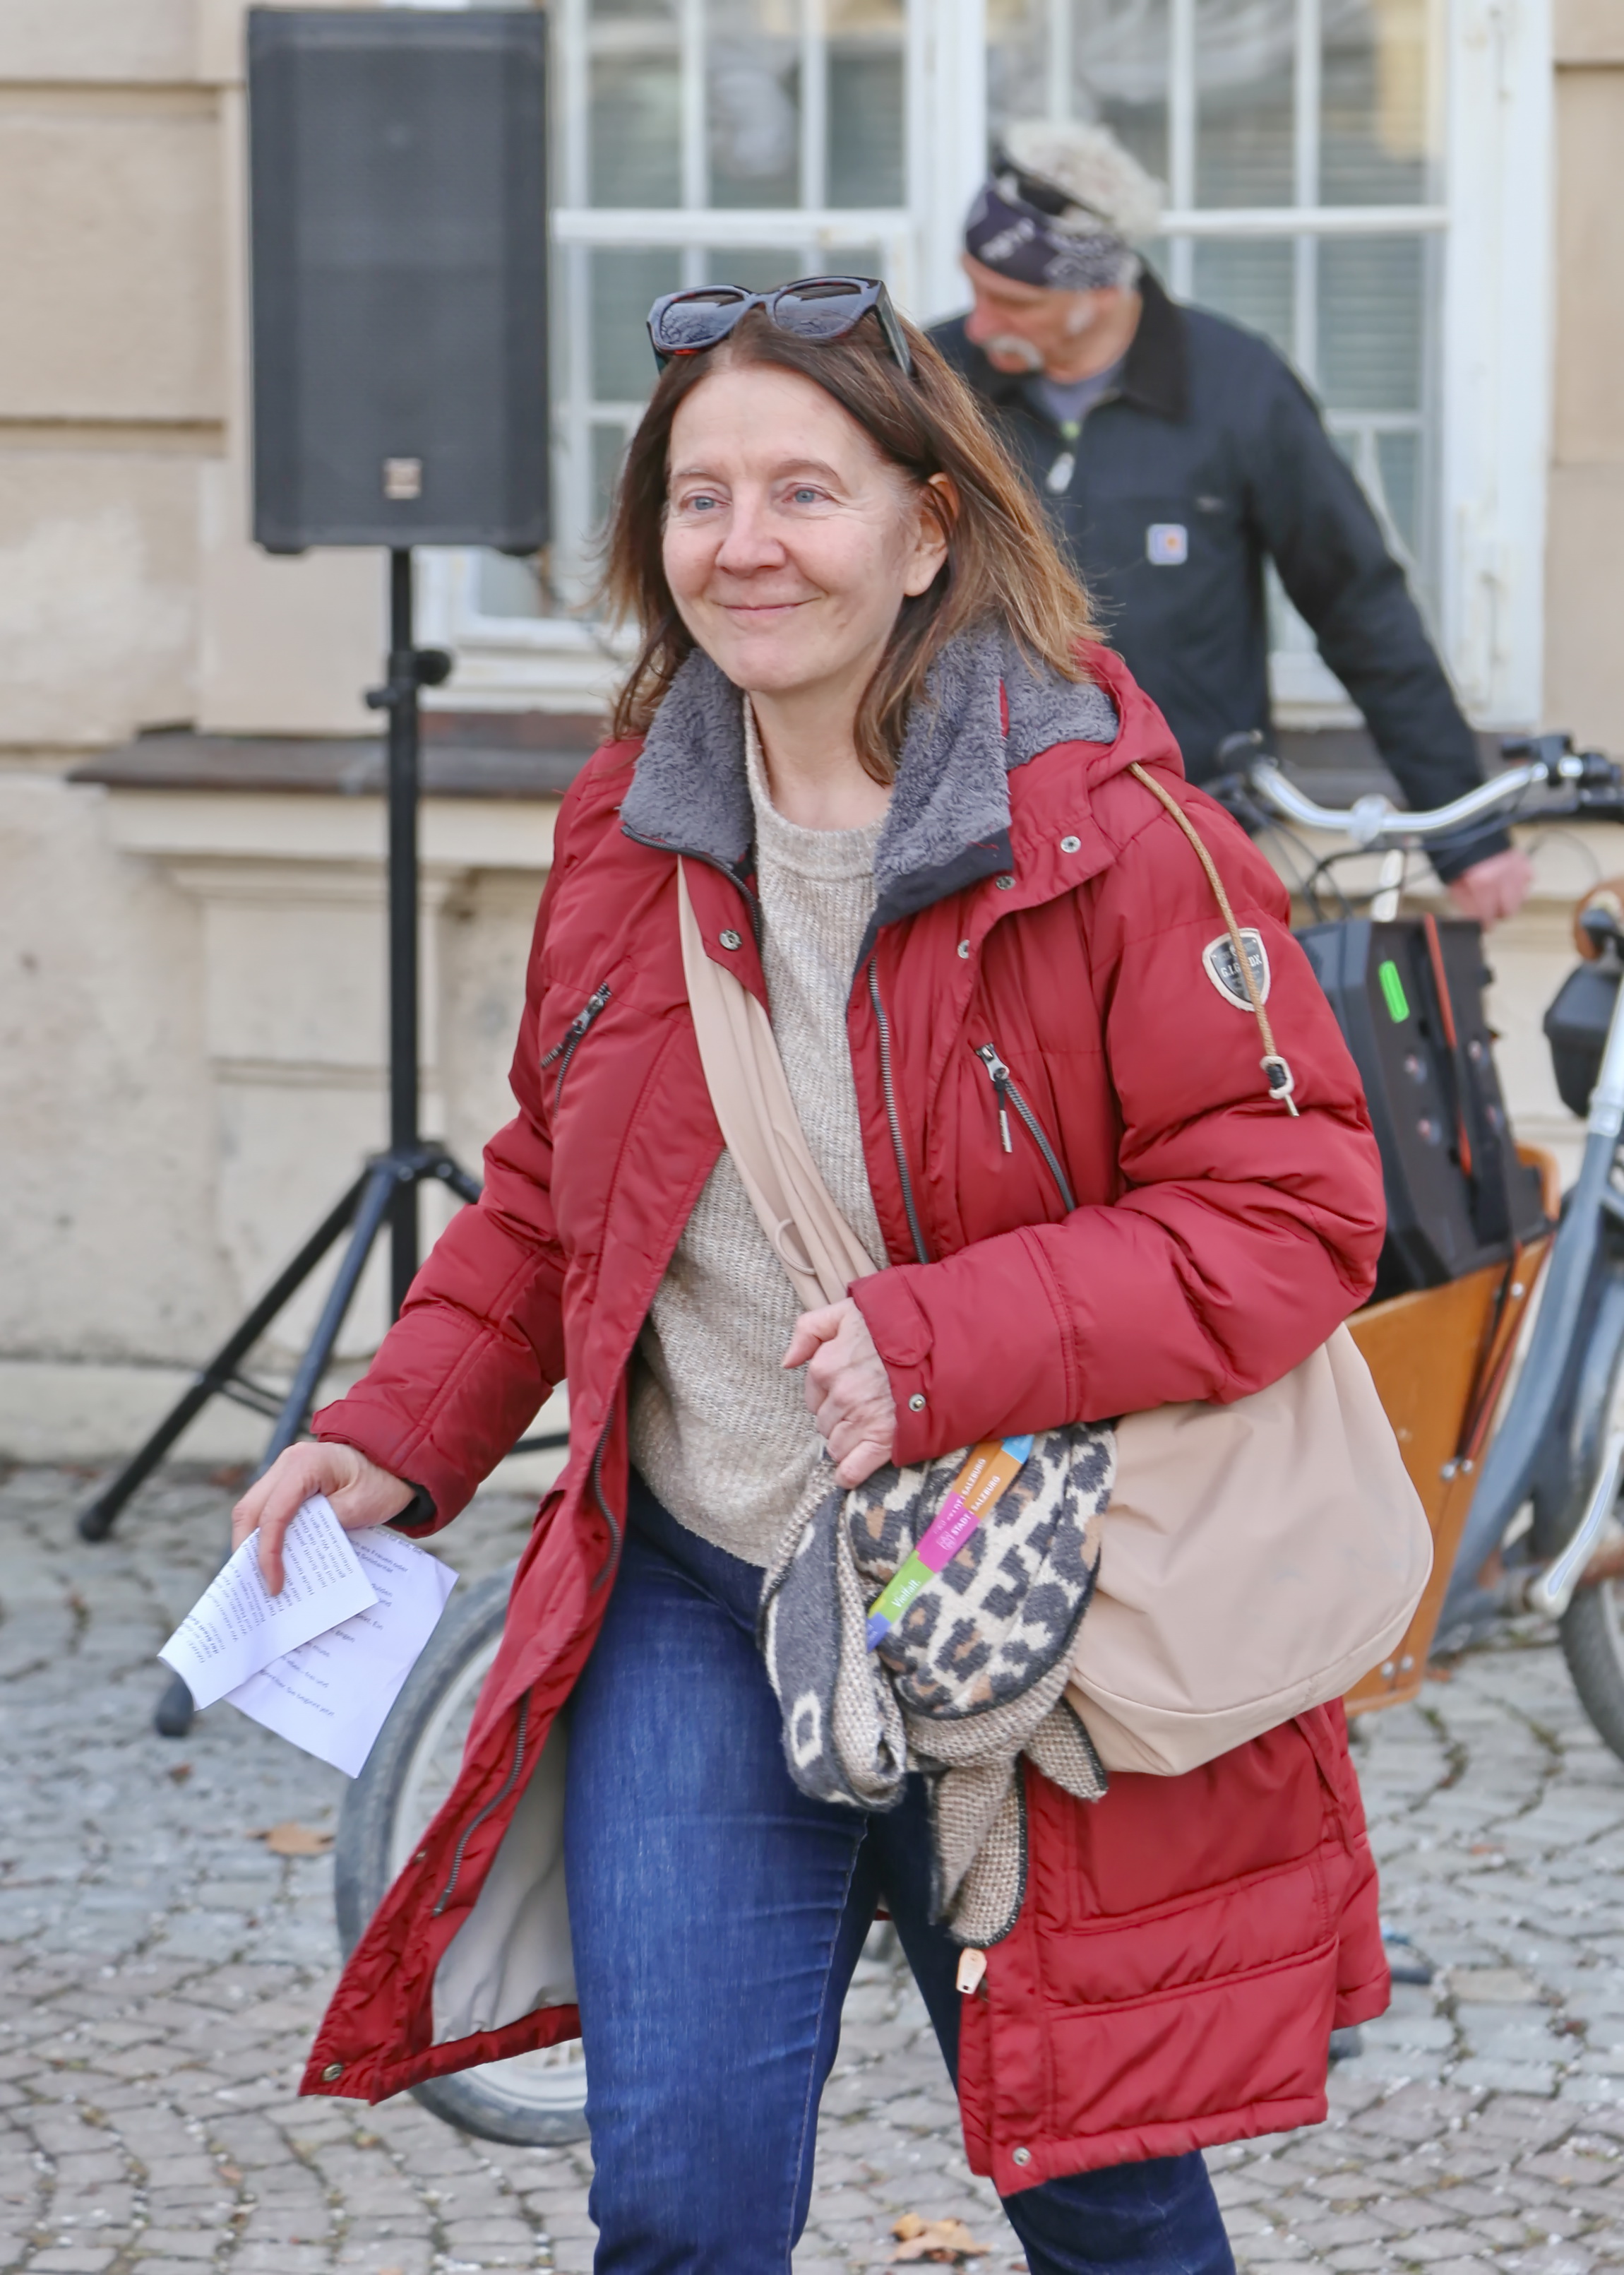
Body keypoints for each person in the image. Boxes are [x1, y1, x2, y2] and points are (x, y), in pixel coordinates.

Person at [232, 276, 1391, 2274]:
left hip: (1010, 1610)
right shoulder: (631, 825)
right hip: (699, 1595)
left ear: (927, 529)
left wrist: (938, 1343)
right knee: (675, 2205)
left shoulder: (1110, 838)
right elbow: (555, 1191)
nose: (744, 544)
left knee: (1101, 2197)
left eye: (803, 492)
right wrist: (390, 1435)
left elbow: (1291, 1210)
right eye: (699, 498)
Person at [931, 120, 1534, 928]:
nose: (976, 324)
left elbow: (1355, 600)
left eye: (1011, 301)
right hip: (981, 845)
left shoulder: (1239, 390)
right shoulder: (934, 386)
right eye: (972, 288)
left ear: (1098, 292)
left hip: (1187, 837)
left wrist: (1465, 831)